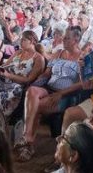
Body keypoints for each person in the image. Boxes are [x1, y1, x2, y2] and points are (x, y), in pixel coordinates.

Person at [15, 27, 82, 161]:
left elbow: (81, 84)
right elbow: (47, 74)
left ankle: (28, 143)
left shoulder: (82, 57)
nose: (63, 40)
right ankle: (27, 137)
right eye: (64, 37)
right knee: (31, 91)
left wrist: (60, 94)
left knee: (36, 106)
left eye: (67, 38)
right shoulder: (58, 53)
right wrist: (34, 83)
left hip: (66, 94)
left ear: (76, 40)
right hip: (49, 87)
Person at [0, 30, 45, 117]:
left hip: (19, 85)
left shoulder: (38, 58)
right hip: (5, 80)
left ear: (32, 41)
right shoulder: (19, 52)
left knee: (0, 96)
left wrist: (9, 75)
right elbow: (5, 66)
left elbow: (29, 80)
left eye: (23, 40)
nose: (20, 42)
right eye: (21, 39)